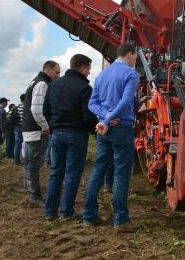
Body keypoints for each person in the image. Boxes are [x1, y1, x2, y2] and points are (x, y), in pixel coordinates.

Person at [83, 42, 139, 232]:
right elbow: (125, 102)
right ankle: (121, 220)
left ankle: (89, 216)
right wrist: (109, 119)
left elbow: (92, 103)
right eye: (136, 57)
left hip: (103, 130)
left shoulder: (101, 75)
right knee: (121, 174)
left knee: (98, 169)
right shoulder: (131, 74)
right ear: (130, 54)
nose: (136, 60)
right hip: (121, 127)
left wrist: (105, 117)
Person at [43, 54, 97, 221]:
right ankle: (66, 212)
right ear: (81, 67)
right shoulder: (84, 88)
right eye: (88, 68)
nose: (89, 72)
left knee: (55, 173)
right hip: (76, 134)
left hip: (56, 134)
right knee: (73, 173)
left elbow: (46, 110)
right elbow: (88, 115)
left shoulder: (53, 85)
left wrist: (53, 125)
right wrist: (90, 130)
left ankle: (50, 211)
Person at [22, 60, 61, 207]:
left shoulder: (34, 81)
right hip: (35, 130)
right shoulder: (42, 83)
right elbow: (36, 109)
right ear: (47, 69)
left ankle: (30, 191)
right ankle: (34, 196)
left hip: (29, 128)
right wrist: (45, 126)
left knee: (29, 162)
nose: (58, 75)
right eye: (56, 72)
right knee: (34, 163)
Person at [13, 94, 25, 166]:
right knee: (24, 144)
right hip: (23, 127)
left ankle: (16, 160)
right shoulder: (26, 107)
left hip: (16, 127)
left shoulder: (17, 107)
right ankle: (22, 159)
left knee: (17, 144)